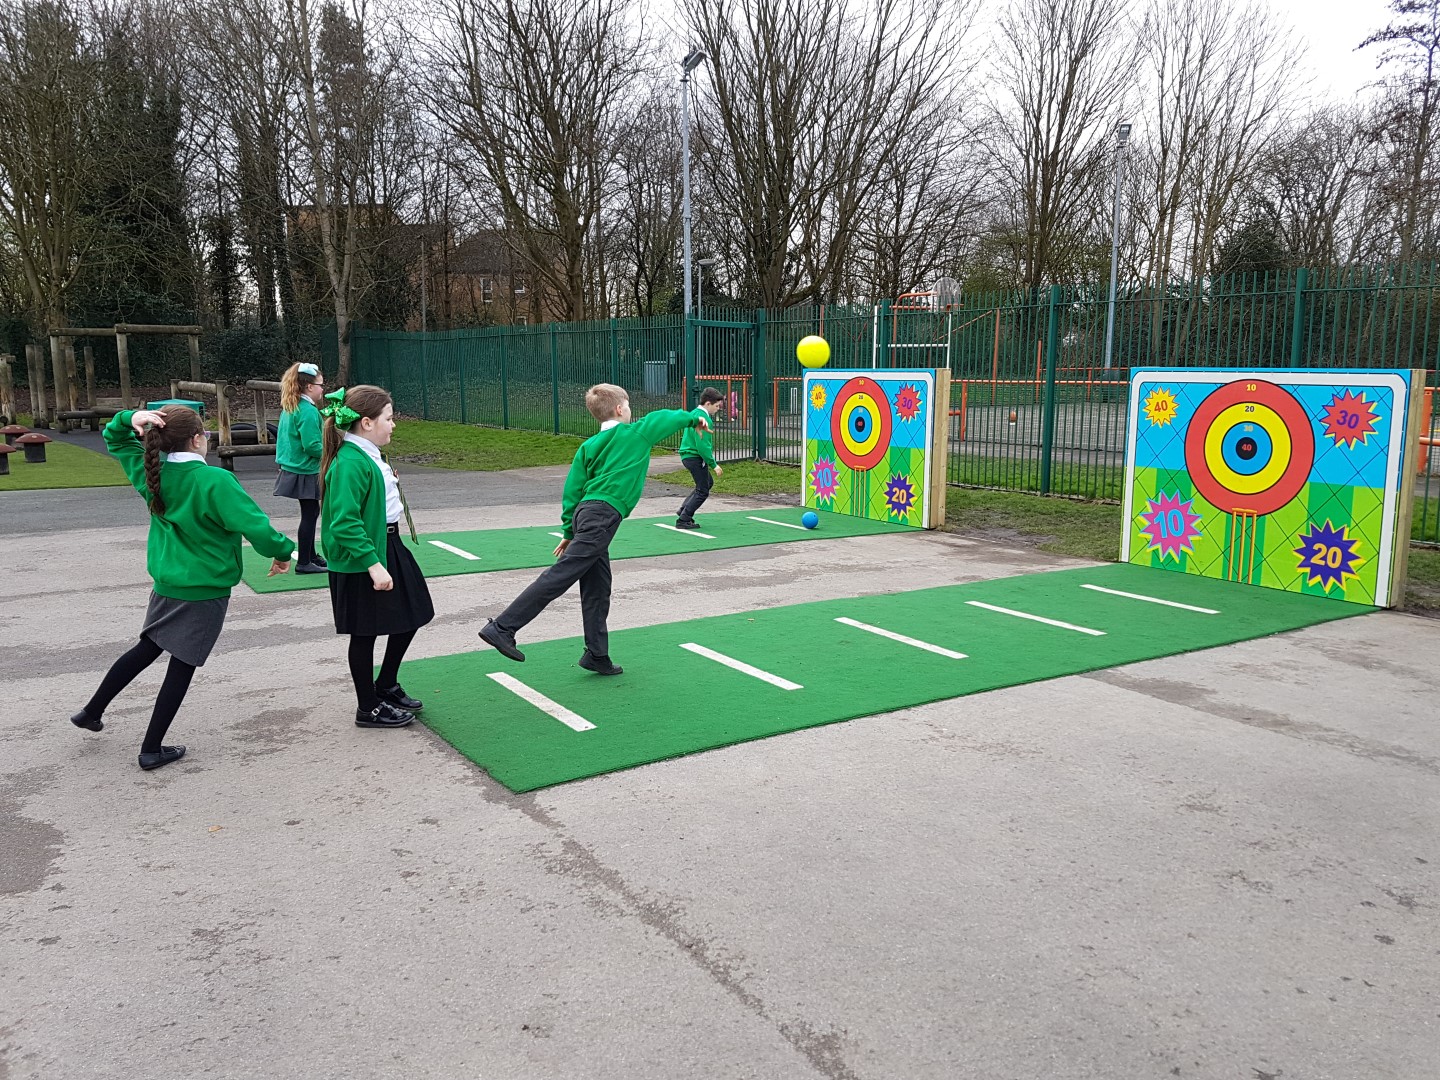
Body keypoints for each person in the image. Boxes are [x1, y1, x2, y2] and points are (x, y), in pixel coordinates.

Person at [71, 406, 292, 770]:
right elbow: (256, 527)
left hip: (167, 582)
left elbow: (114, 436)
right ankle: (151, 748)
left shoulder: (153, 473)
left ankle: (92, 711)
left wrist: (130, 418)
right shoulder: (215, 481)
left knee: (148, 648)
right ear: (197, 438)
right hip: (203, 590)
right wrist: (282, 552)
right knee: (182, 666)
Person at [479, 383, 710, 675]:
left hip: (586, 514)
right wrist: (695, 418)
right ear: (619, 409)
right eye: (628, 406)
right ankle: (503, 627)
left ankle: (596, 654)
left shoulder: (588, 446)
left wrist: (568, 530)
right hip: (602, 515)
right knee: (561, 574)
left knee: (598, 587)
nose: (630, 411)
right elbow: (665, 417)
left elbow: (573, 488)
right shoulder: (634, 432)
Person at [320, 385, 434, 728]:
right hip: (363, 557)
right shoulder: (350, 462)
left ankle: (385, 684)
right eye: (389, 418)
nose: (393, 424)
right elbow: (344, 521)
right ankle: (367, 707)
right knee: (365, 632)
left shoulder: (369, 455)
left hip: (388, 545)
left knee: (414, 613)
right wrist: (373, 566)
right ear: (367, 423)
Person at [274, 361, 327, 573]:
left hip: (293, 467)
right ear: (309, 387)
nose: (323, 389)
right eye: (321, 385)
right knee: (310, 513)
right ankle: (304, 562)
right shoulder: (308, 411)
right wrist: (334, 454)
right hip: (306, 469)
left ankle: (311, 555)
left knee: (311, 512)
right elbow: (312, 446)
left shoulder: (291, 406)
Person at [676, 386, 725, 529]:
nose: (718, 409)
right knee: (703, 490)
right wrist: (714, 464)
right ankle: (684, 519)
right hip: (694, 457)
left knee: (707, 482)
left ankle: (683, 509)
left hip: (687, 456)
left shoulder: (694, 414)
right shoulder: (704, 420)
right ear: (708, 403)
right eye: (716, 406)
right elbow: (703, 446)